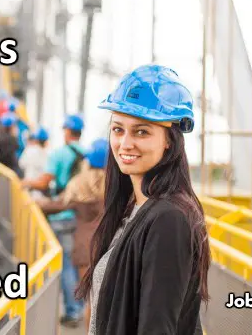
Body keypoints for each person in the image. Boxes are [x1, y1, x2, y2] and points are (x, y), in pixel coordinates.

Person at [75, 64, 210, 335]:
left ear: (169, 140)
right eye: (118, 130)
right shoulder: (133, 209)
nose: (125, 143)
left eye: (141, 131)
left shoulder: (169, 219)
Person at [35, 137, 108, 328]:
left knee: (92, 301)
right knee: (107, 300)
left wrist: (36, 204)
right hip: (110, 246)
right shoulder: (116, 186)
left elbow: (59, 204)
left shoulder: (80, 183)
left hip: (85, 247)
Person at [22, 113, 86, 327]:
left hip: (60, 214)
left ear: (67, 131)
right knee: (78, 264)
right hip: (81, 216)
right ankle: (81, 307)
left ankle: (72, 310)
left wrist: (27, 184)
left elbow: (45, 182)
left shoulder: (59, 154)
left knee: (66, 265)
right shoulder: (86, 154)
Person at [18, 126, 50, 199]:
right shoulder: (46, 155)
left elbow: (21, 164)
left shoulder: (28, 150)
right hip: (39, 192)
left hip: (26, 187)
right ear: (46, 141)